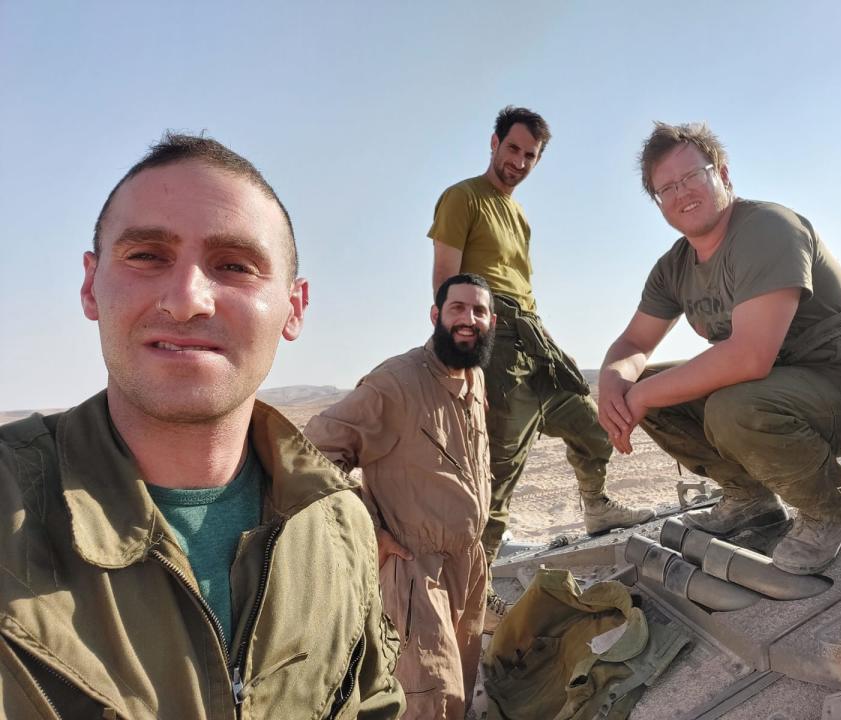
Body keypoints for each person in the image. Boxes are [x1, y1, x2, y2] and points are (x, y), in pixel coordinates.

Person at [0, 134, 404, 719]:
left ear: (295, 308)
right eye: (147, 256)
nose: (188, 300)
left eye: (234, 266)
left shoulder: (336, 523)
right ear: (91, 284)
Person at [599, 121, 841, 575]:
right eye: (666, 188)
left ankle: (827, 509)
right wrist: (613, 384)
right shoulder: (675, 266)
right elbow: (633, 342)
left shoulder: (767, 227)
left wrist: (640, 396)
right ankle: (749, 499)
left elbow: (749, 356)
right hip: (782, 385)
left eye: (691, 177)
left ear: (722, 174)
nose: (682, 193)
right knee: (648, 385)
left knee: (725, 406)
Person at [429, 106, 654, 584]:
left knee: (593, 427)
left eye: (530, 155)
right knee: (500, 470)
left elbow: (523, 284)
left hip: (534, 339)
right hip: (496, 342)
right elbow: (446, 282)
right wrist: (461, 361)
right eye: (513, 149)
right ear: (494, 143)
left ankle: (596, 506)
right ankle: (472, 585)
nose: (519, 161)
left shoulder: (519, 214)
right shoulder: (462, 198)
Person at [304, 273, 495, 719]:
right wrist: (369, 527)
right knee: (428, 699)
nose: (468, 320)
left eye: (478, 311)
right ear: (436, 316)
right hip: (414, 571)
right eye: (457, 309)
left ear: (492, 321)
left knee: (460, 690)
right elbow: (316, 451)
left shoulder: (475, 378)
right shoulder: (395, 382)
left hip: (469, 567)